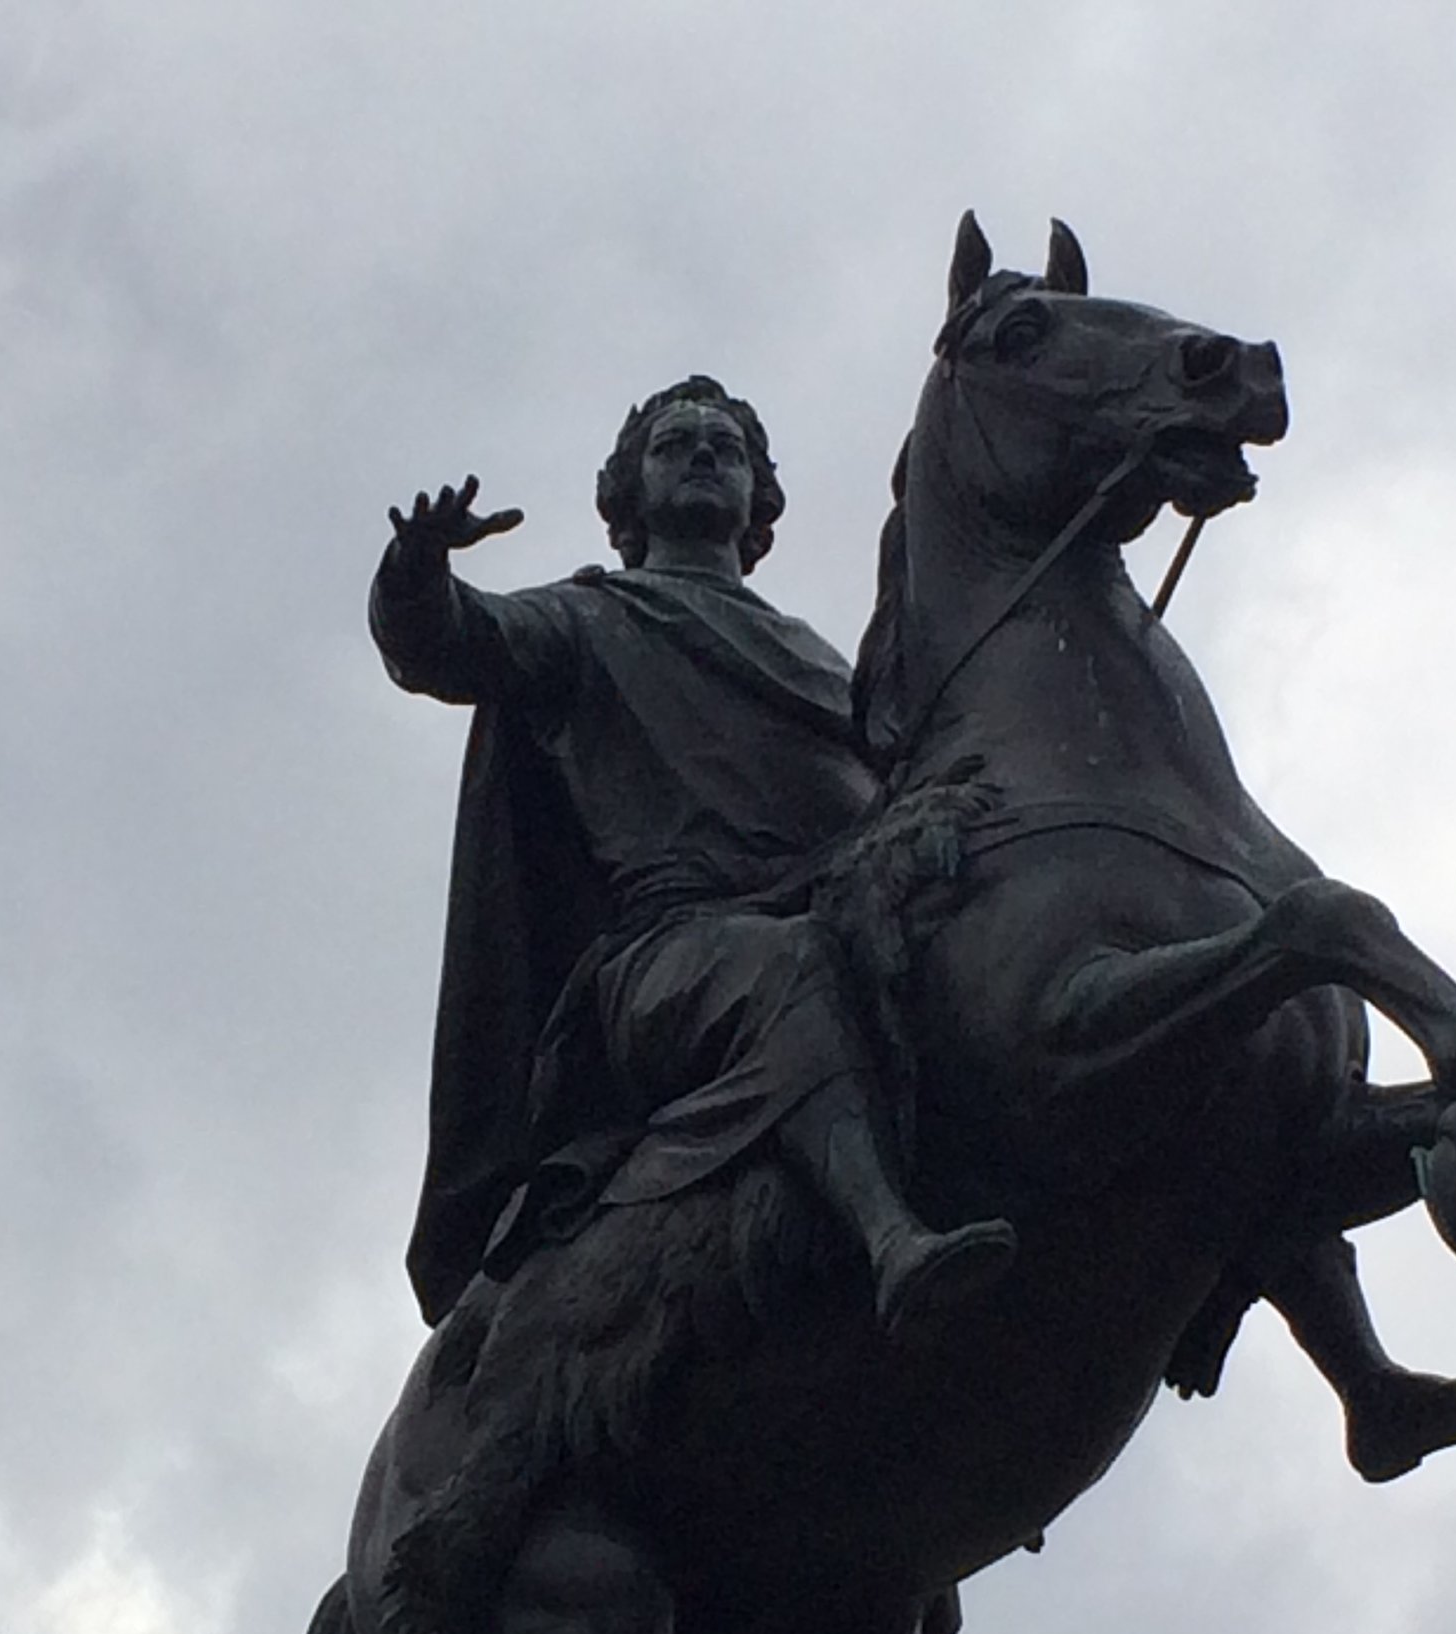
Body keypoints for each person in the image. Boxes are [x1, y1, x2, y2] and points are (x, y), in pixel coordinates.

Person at [374, 374, 1015, 1334]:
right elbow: (449, 643)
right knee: (788, 969)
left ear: (760, 499)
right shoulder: (586, 619)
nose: (707, 455)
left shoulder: (825, 659)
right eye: (677, 445)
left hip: (836, 907)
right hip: (671, 955)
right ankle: (892, 1239)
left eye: (728, 447)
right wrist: (417, 571)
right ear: (629, 496)